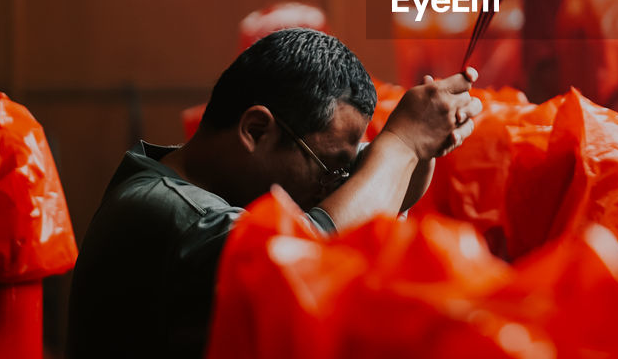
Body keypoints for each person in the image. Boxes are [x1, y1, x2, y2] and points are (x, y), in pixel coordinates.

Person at [66, 28, 482, 359]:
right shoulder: (176, 214)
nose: (333, 184)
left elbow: (356, 223)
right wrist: (403, 145)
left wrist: (420, 149)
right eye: (329, 167)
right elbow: (308, 256)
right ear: (256, 131)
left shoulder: (181, 184)